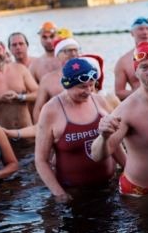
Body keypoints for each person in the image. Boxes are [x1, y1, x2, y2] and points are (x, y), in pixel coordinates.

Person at [91, 42, 148, 196]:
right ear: (136, 72)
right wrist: (104, 136)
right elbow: (96, 155)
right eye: (144, 67)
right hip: (140, 191)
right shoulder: (127, 110)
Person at [35, 57, 121, 202]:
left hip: (109, 186)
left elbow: (114, 144)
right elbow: (41, 160)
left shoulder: (98, 101)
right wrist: (59, 194)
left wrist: (128, 171)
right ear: (67, 85)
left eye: (91, 85)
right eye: (82, 87)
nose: (88, 91)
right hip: (74, 192)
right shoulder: (51, 110)